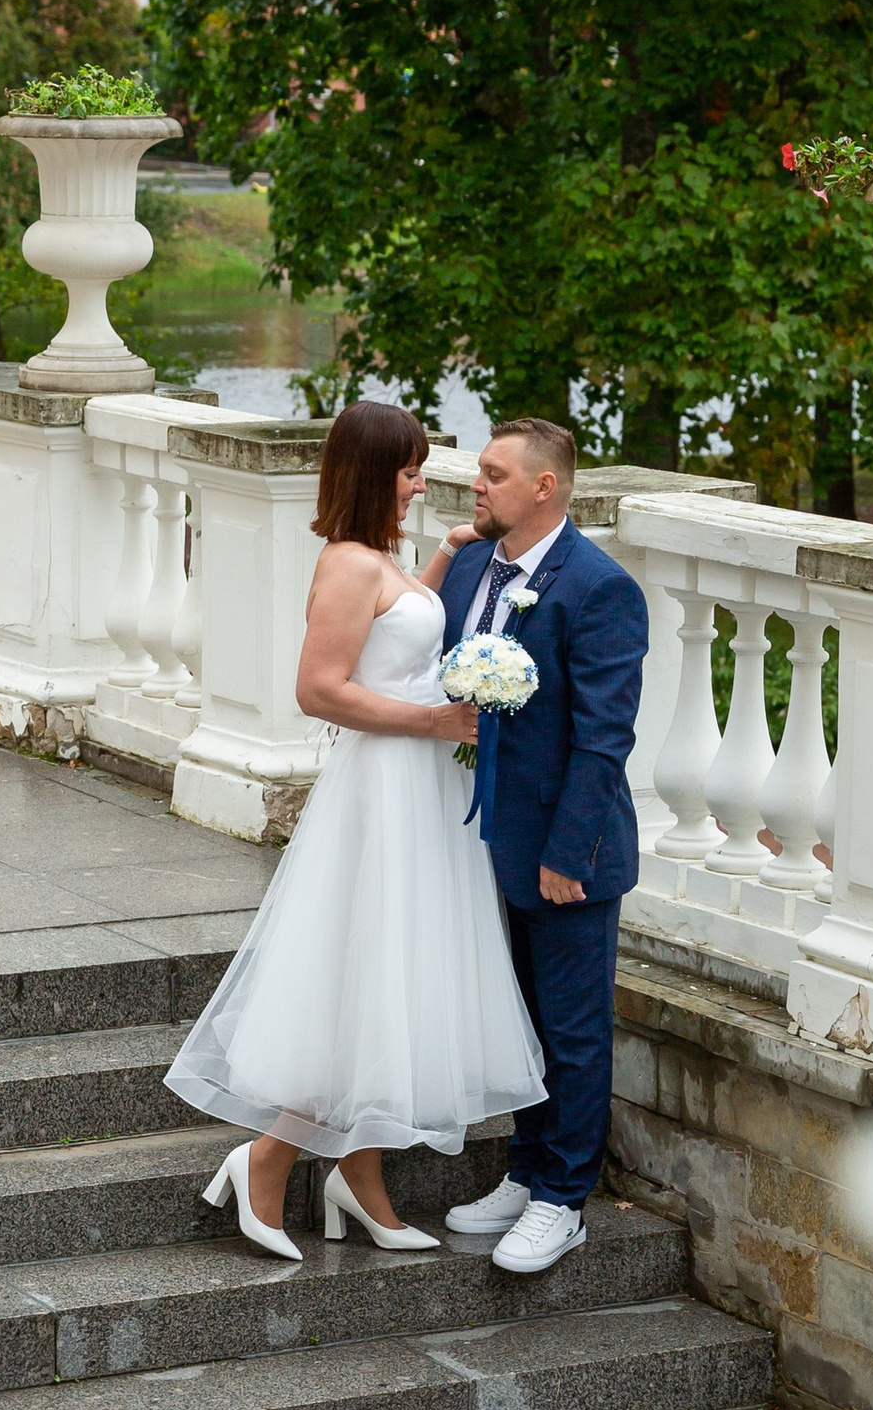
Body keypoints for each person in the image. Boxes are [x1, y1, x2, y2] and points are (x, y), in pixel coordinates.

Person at [167, 399, 546, 1263]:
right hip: (381, 790)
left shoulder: (387, 558)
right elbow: (319, 689)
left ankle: (362, 1175)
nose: (421, 482)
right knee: (360, 971)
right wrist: (435, 726)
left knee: (396, 978)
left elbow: (403, 649)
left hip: (418, 795)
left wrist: (446, 557)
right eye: (411, 469)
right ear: (378, 472)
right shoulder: (344, 563)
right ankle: (265, 1161)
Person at [432, 417, 649, 1276]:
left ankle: (564, 1199)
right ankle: (524, 1171)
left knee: (572, 1025)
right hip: (484, 837)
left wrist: (568, 851)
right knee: (516, 1017)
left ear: (544, 487)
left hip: (566, 853)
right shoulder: (478, 565)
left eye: (492, 474)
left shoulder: (599, 588)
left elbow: (604, 738)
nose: (476, 485)